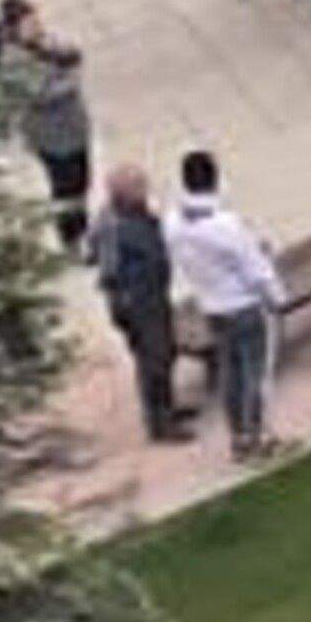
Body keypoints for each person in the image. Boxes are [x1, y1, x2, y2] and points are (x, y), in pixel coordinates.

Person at [165, 148, 283, 462]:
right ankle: (259, 437)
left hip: (213, 307)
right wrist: (276, 297)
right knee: (256, 373)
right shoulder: (225, 225)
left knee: (232, 374)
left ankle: (239, 437)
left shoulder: (174, 222)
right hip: (245, 305)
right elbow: (255, 267)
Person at [93, 166, 191, 445]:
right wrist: (125, 301)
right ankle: (160, 422)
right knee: (154, 359)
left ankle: (168, 408)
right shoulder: (113, 226)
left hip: (153, 295)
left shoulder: (136, 212)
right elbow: (108, 269)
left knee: (166, 351)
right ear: (123, 194)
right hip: (138, 303)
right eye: (139, 188)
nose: (146, 192)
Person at [0, 0, 91, 252]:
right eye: (30, 22)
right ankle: (72, 238)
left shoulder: (44, 42)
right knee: (65, 187)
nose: (37, 25)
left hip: (73, 125)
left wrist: (61, 58)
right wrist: (70, 78)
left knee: (81, 180)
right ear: (14, 27)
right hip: (52, 136)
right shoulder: (12, 60)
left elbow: (72, 52)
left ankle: (83, 227)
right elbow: (40, 93)